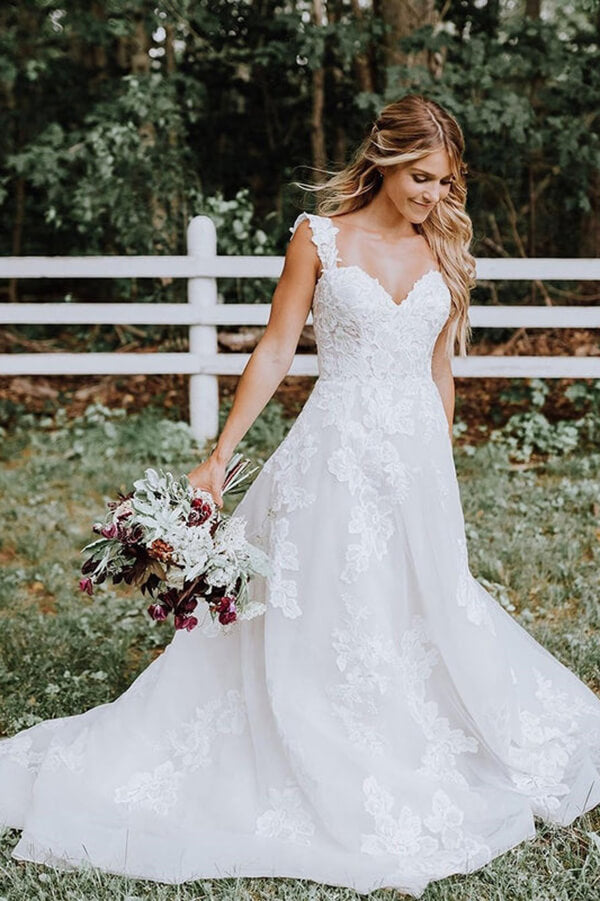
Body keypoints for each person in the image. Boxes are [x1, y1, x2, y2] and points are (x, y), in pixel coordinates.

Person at [1, 93, 599, 899]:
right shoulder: (320, 238)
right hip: (333, 457)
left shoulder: (444, 252)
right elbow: (279, 347)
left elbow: (440, 369)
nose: (434, 195)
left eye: (446, 182)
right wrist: (220, 455)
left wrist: (441, 470)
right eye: (421, 177)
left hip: (414, 466)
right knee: (324, 609)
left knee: (426, 609)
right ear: (385, 159)